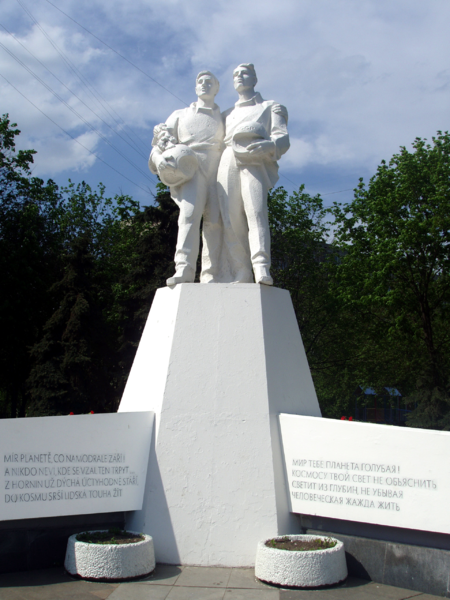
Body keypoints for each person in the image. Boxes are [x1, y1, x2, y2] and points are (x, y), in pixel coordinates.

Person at [149, 71, 224, 285]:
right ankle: (184, 269)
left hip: (218, 167)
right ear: (195, 87)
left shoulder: (224, 116)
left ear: (217, 88)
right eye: (200, 82)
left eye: (209, 82)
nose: (204, 85)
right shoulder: (180, 115)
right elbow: (157, 145)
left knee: (215, 221)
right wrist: (159, 158)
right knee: (189, 216)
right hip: (191, 167)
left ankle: (211, 274)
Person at [217, 64, 290, 285]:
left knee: (256, 212)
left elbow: (283, 138)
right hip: (228, 156)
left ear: (255, 78)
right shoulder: (226, 114)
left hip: (254, 158)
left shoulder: (271, 106)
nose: (240, 77)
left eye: (245, 73)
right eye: (235, 74)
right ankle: (241, 270)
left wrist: (268, 146)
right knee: (230, 217)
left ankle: (261, 267)